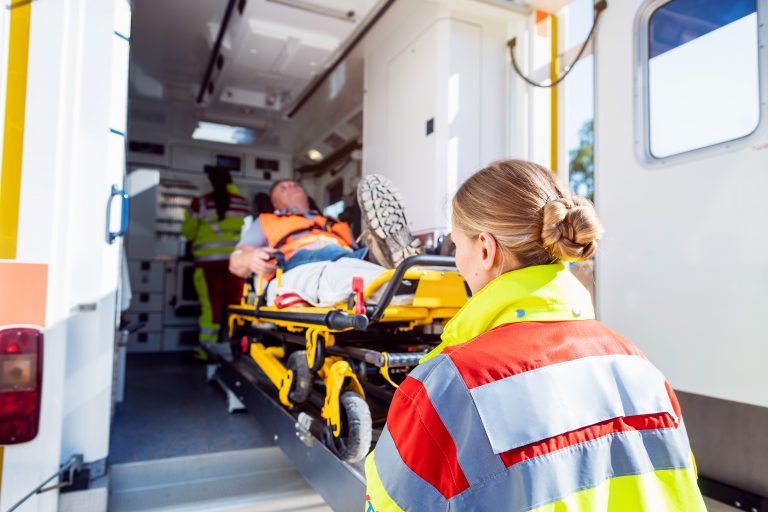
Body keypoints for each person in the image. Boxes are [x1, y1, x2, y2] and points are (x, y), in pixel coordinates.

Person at [364, 160, 706, 511]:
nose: (457, 261)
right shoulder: (636, 364)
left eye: (454, 246)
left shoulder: (449, 385)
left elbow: (389, 503)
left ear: (485, 249)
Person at [229, 176, 422, 279]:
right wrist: (249, 258)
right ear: (276, 204)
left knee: (349, 253)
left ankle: (435, 251)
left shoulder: (334, 224)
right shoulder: (267, 220)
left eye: (294, 184)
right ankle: (382, 254)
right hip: (295, 259)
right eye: (283, 187)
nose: (290, 186)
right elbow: (235, 262)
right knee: (331, 252)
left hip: (345, 254)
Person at [181, 166, 249, 351]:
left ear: (210, 181)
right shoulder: (244, 203)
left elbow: (188, 232)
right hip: (237, 264)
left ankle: (207, 349)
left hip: (207, 264)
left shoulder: (200, 203)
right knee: (235, 304)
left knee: (211, 307)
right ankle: (233, 346)